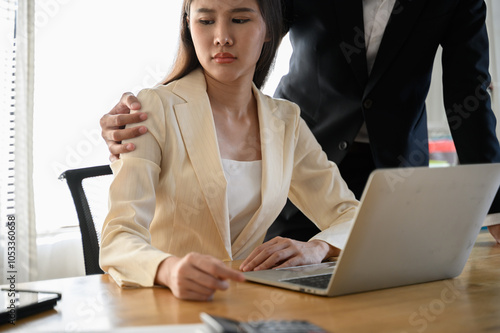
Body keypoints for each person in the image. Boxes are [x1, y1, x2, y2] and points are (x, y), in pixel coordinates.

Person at [100, 0, 500, 244]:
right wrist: (163, 114)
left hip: (394, 168)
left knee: (390, 299)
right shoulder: (281, 126)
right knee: (285, 280)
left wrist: (495, 210)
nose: (221, 33)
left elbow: (470, 97)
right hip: (301, 152)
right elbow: (244, 27)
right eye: (204, 22)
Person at [100, 0, 359, 301]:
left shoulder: (285, 121)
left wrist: (317, 248)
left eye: (239, 19)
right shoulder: (153, 109)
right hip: (164, 301)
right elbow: (118, 236)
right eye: (206, 21)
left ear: (268, 30)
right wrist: (168, 269)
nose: (222, 36)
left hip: (245, 303)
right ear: (188, 26)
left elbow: (350, 215)